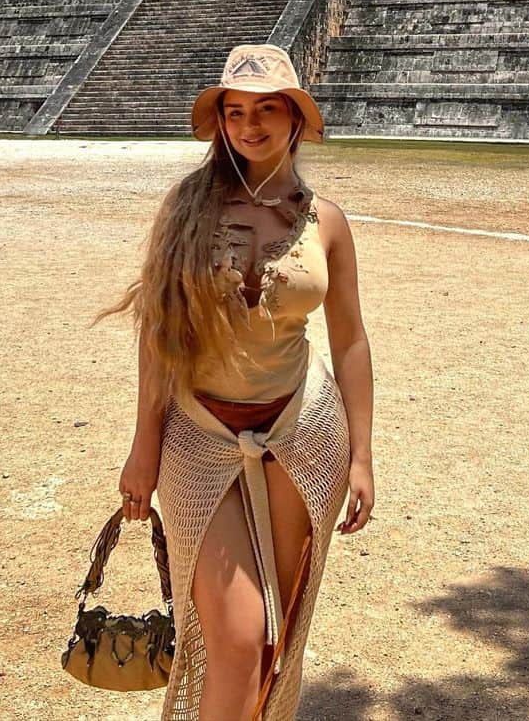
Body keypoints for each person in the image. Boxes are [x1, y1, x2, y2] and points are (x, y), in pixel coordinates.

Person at [94, 43, 375, 721]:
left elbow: (350, 338)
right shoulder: (188, 208)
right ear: (219, 121)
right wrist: (144, 445)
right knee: (239, 637)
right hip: (199, 433)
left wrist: (363, 453)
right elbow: (160, 333)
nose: (250, 126)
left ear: (296, 118)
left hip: (300, 433)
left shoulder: (326, 221)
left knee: (274, 636)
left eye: (267, 109)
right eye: (235, 112)